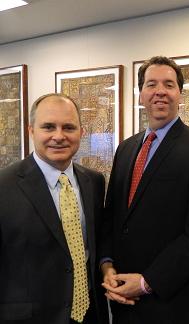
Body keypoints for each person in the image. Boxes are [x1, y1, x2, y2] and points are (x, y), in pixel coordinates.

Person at [99, 56, 189, 324]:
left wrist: (147, 282)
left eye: (169, 84)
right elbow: (112, 218)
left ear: (180, 94)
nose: (160, 91)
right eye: (151, 84)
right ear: (141, 94)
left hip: (175, 302)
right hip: (125, 301)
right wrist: (107, 265)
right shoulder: (126, 149)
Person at [0, 93, 108, 324]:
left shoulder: (94, 182)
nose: (58, 136)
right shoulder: (4, 185)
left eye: (68, 127)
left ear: (81, 132)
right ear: (31, 131)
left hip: (90, 314)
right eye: (48, 127)